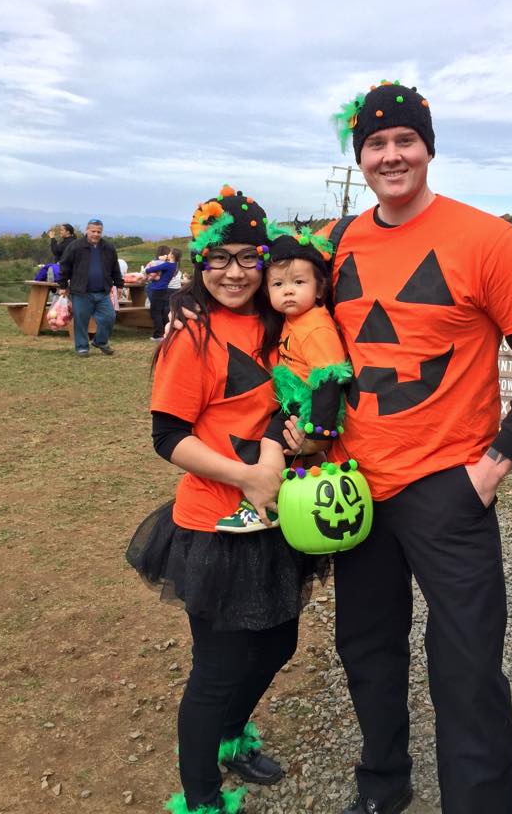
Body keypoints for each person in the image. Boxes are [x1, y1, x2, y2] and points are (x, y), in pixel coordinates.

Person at [319, 80, 512, 814]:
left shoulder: (486, 239)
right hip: (359, 490)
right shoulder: (339, 244)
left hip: (449, 488)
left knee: (466, 667)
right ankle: (383, 784)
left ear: (429, 147)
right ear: (360, 157)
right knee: (367, 650)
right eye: (375, 143)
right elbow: (312, 348)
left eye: (405, 140)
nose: (391, 155)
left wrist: (491, 470)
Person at [126, 186, 326, 814]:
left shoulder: (281, 322)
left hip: (276, 516)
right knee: (216, 669)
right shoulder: (193, 336)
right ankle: (204, 799)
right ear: (199, 262)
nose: (234, 273)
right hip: (216, 524)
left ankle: (234, 737)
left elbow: (285, 400)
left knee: (278, 642)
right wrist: (244, 477)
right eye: (219, 258)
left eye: (248, 258)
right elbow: (167, 436)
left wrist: (293, 443)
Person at [216, 228, 352, 533]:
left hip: (309, 405)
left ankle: (265, 501)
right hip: (298, 400)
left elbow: (329, 378)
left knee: (271, 443)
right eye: (278, 284)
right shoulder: (294, 318)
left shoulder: (316, 327)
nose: (287, 291)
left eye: (298, 282)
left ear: (319, 289)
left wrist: (320, 430)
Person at [58, 219, 124, 357]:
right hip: (81, 291)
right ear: (86, 230)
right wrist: (63, 285)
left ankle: (100, 341)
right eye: (93, 231)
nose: (96, 234)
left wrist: (119, 285)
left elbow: (115, 268)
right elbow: (65, 266)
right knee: (81, 320)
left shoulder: (108, 248)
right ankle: (82, 347)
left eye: (99, 232)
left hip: (103, 292)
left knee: (109, 317)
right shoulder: (75, 246)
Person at [143, 246, 178, 342]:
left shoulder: (166, 265)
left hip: (158, 289)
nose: (167, 255)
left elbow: (150, 270)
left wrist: (156, 261)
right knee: (163, 311)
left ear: (172, 256)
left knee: (155, 312)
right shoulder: (173, 265)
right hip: (164, 289)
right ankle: (165, 333)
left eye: (170, 254)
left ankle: (158, 334)